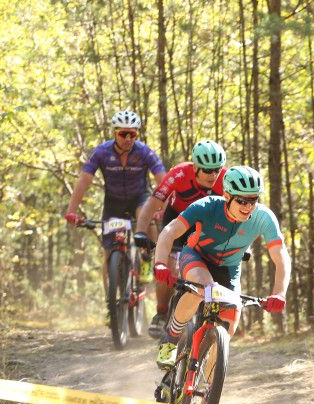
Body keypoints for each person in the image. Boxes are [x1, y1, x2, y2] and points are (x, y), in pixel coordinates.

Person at [152, 165, 290, 369]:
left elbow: (280, 256)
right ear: (226, 195)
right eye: (241, 201)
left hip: (229, 268)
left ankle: (207, 378)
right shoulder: (206, 206)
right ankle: (171, 338)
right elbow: (169, 231)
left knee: (231, 322)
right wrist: (160, 263)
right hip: (197, 256)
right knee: (204, 287)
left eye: (253, 200)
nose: (248, 207)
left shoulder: (264, 217)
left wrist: (279, 293)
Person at [133, 140, 229, 338]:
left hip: (208, 226)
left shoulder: (227, 179)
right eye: (207, 170)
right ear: (195, 167)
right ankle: (161, 313)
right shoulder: (179, 174)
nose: (213, 175)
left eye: (217, 170)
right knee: (169, 265)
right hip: (177, 220)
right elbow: (152, 204)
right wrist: (141, 231)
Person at [63, 110, 166, 281]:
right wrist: (71, 211)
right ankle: (110, 296)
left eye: (132, 134)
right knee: (108, 253)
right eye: (123, 134)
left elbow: (164, 181)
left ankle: (147, 258)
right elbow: (84, 181)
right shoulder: (102, 152)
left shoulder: (144, 152)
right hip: (113, 203)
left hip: (139, 198)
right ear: (115, 133)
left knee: (146, 217)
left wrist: (163, 209)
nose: (128, 139)